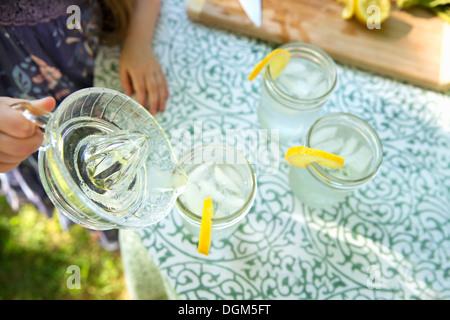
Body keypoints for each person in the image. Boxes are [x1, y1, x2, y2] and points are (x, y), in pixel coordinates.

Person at [0, 0, 169, 250]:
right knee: (72, 181)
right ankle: (99, 224)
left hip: (96, 55)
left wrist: (138, 41)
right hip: (16, 85)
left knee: (107, 184)